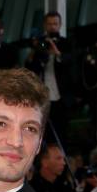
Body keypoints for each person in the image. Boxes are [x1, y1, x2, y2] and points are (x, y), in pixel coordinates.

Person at [26, 11, 74, 144]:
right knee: (42, 133)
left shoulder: (66, 43)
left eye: (55, 24)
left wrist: (58, 54)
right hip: (42, 96)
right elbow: (30, 67)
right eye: (49, 24)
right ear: (45, 25)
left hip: (61, 97)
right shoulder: (39, 44)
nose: (53, 27)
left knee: (61, 133)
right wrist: (39, 52)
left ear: (60, 25)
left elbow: (71, 63)